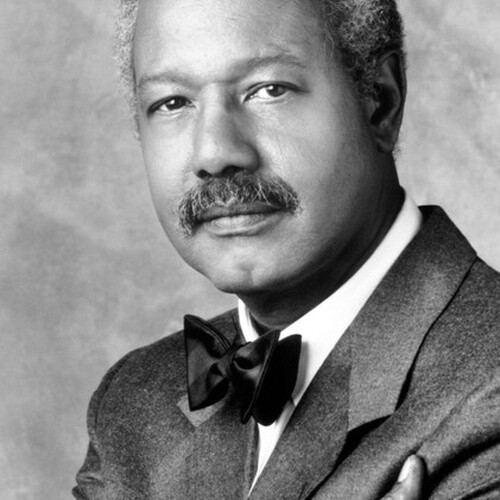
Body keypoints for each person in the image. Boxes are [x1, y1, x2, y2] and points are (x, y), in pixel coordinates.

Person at [73, 0, 500, 498]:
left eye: (268, 90)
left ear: (381, 101)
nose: (215, 153)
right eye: (173, 102)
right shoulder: (130, 405)